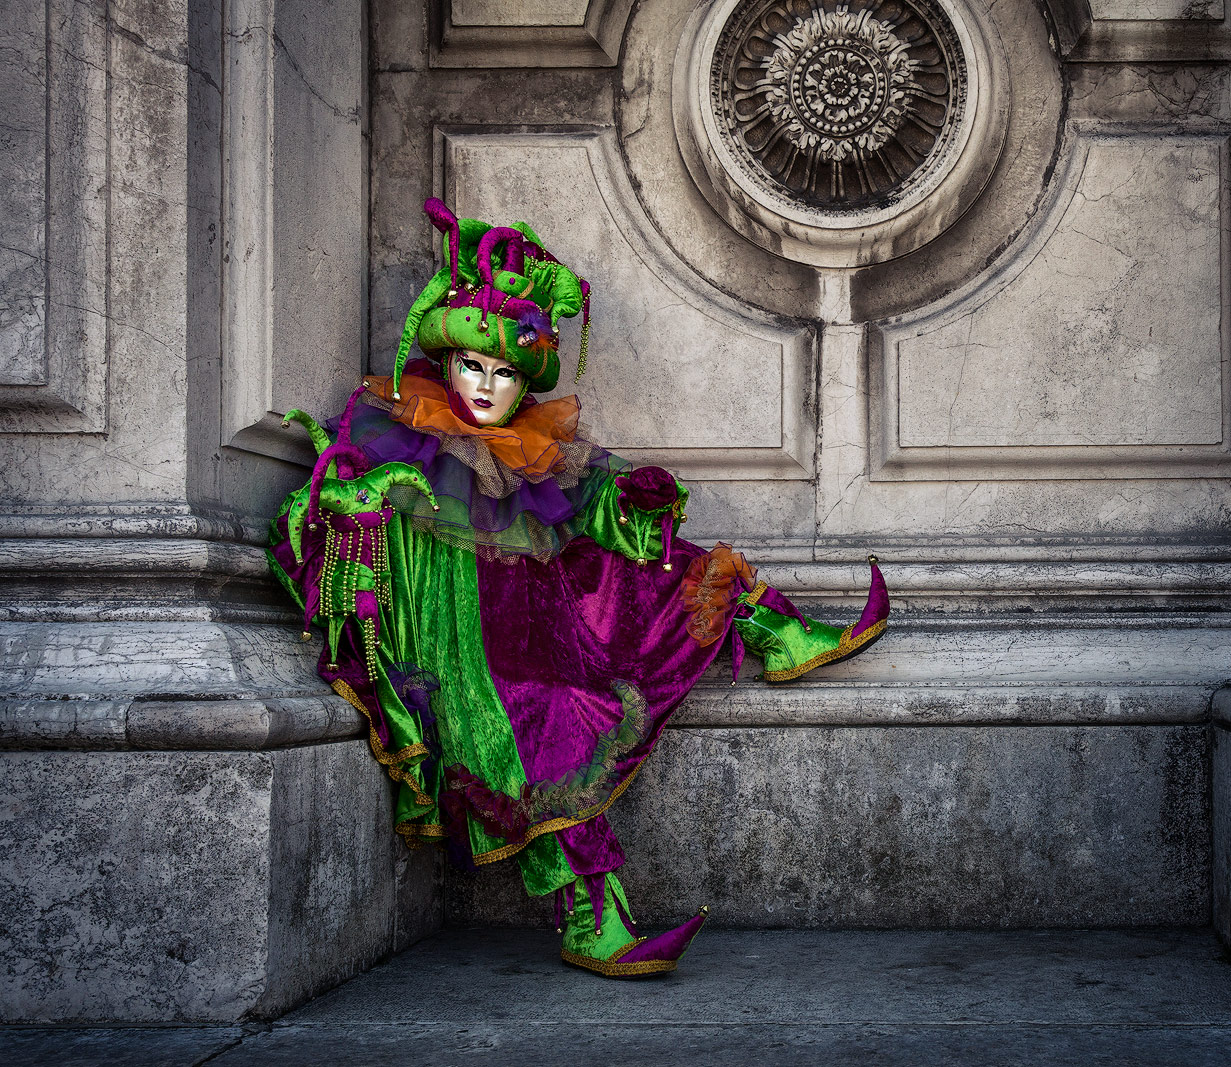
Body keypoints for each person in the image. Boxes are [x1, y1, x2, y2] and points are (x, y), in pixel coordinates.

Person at [267, 198, 889, 978]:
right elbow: (306, 525)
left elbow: (595, 509)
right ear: (446, 362)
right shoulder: (394, 437)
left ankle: (775, 629)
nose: (488, 387)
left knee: (652, 570)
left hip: (540, 615)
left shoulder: (536, 445)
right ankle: (595, 915)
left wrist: (637, 500)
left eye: (504, 373)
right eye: (472, 367)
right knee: (548, 721)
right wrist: (344, 508)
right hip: (460, 647)